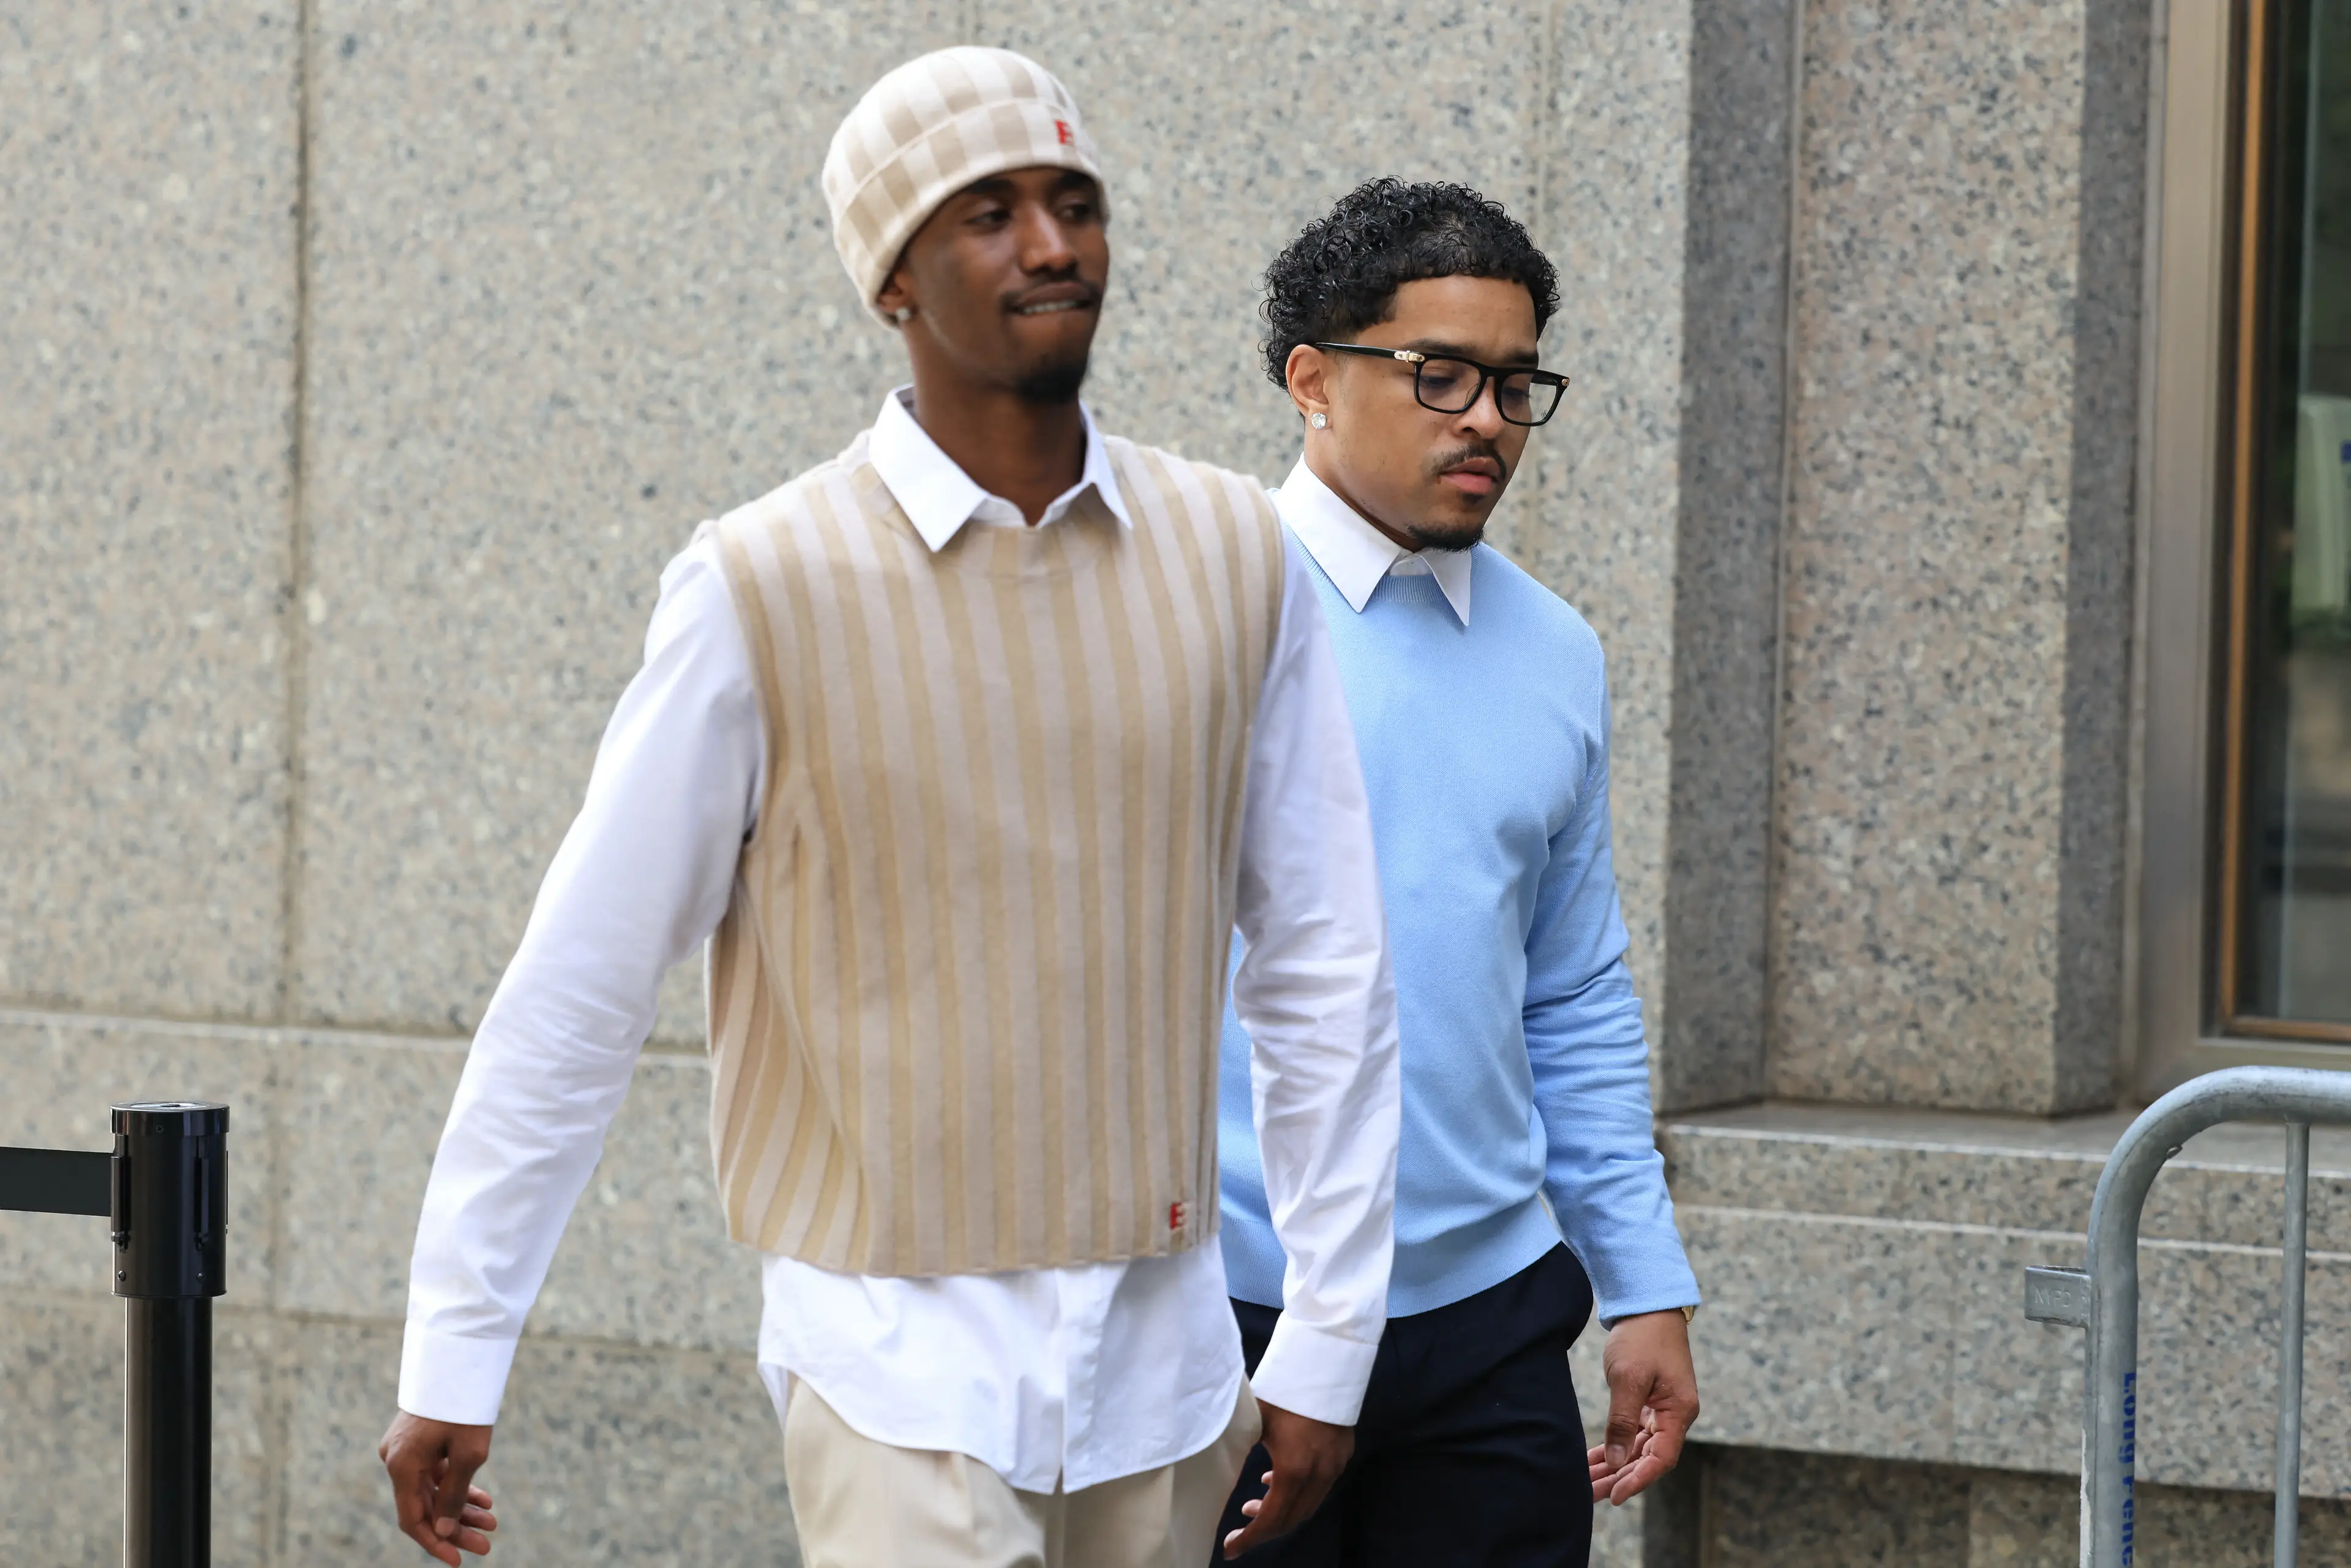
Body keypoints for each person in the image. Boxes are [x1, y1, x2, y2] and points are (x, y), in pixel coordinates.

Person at [376, 48, 1403, 1568]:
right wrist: (459, 1347)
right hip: (887, 1370)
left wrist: (1328, 1332)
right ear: (892, 281)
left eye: (1075, 201)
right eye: (987, 212)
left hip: (1170, 1379)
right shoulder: (758, 585)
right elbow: (577, 993)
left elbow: (1325, 959)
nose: (1051, 245)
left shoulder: (1237, 554)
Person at [1211, 179, 1703, 1566]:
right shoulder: (1207, 611)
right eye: (1439, 376)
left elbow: (1573, 990)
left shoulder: (1556, 653)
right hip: (1239, 1318)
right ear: (1311, 379)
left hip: (1491, 1328)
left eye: (1512, 381)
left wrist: (1643, 1281)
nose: (1485, 417)